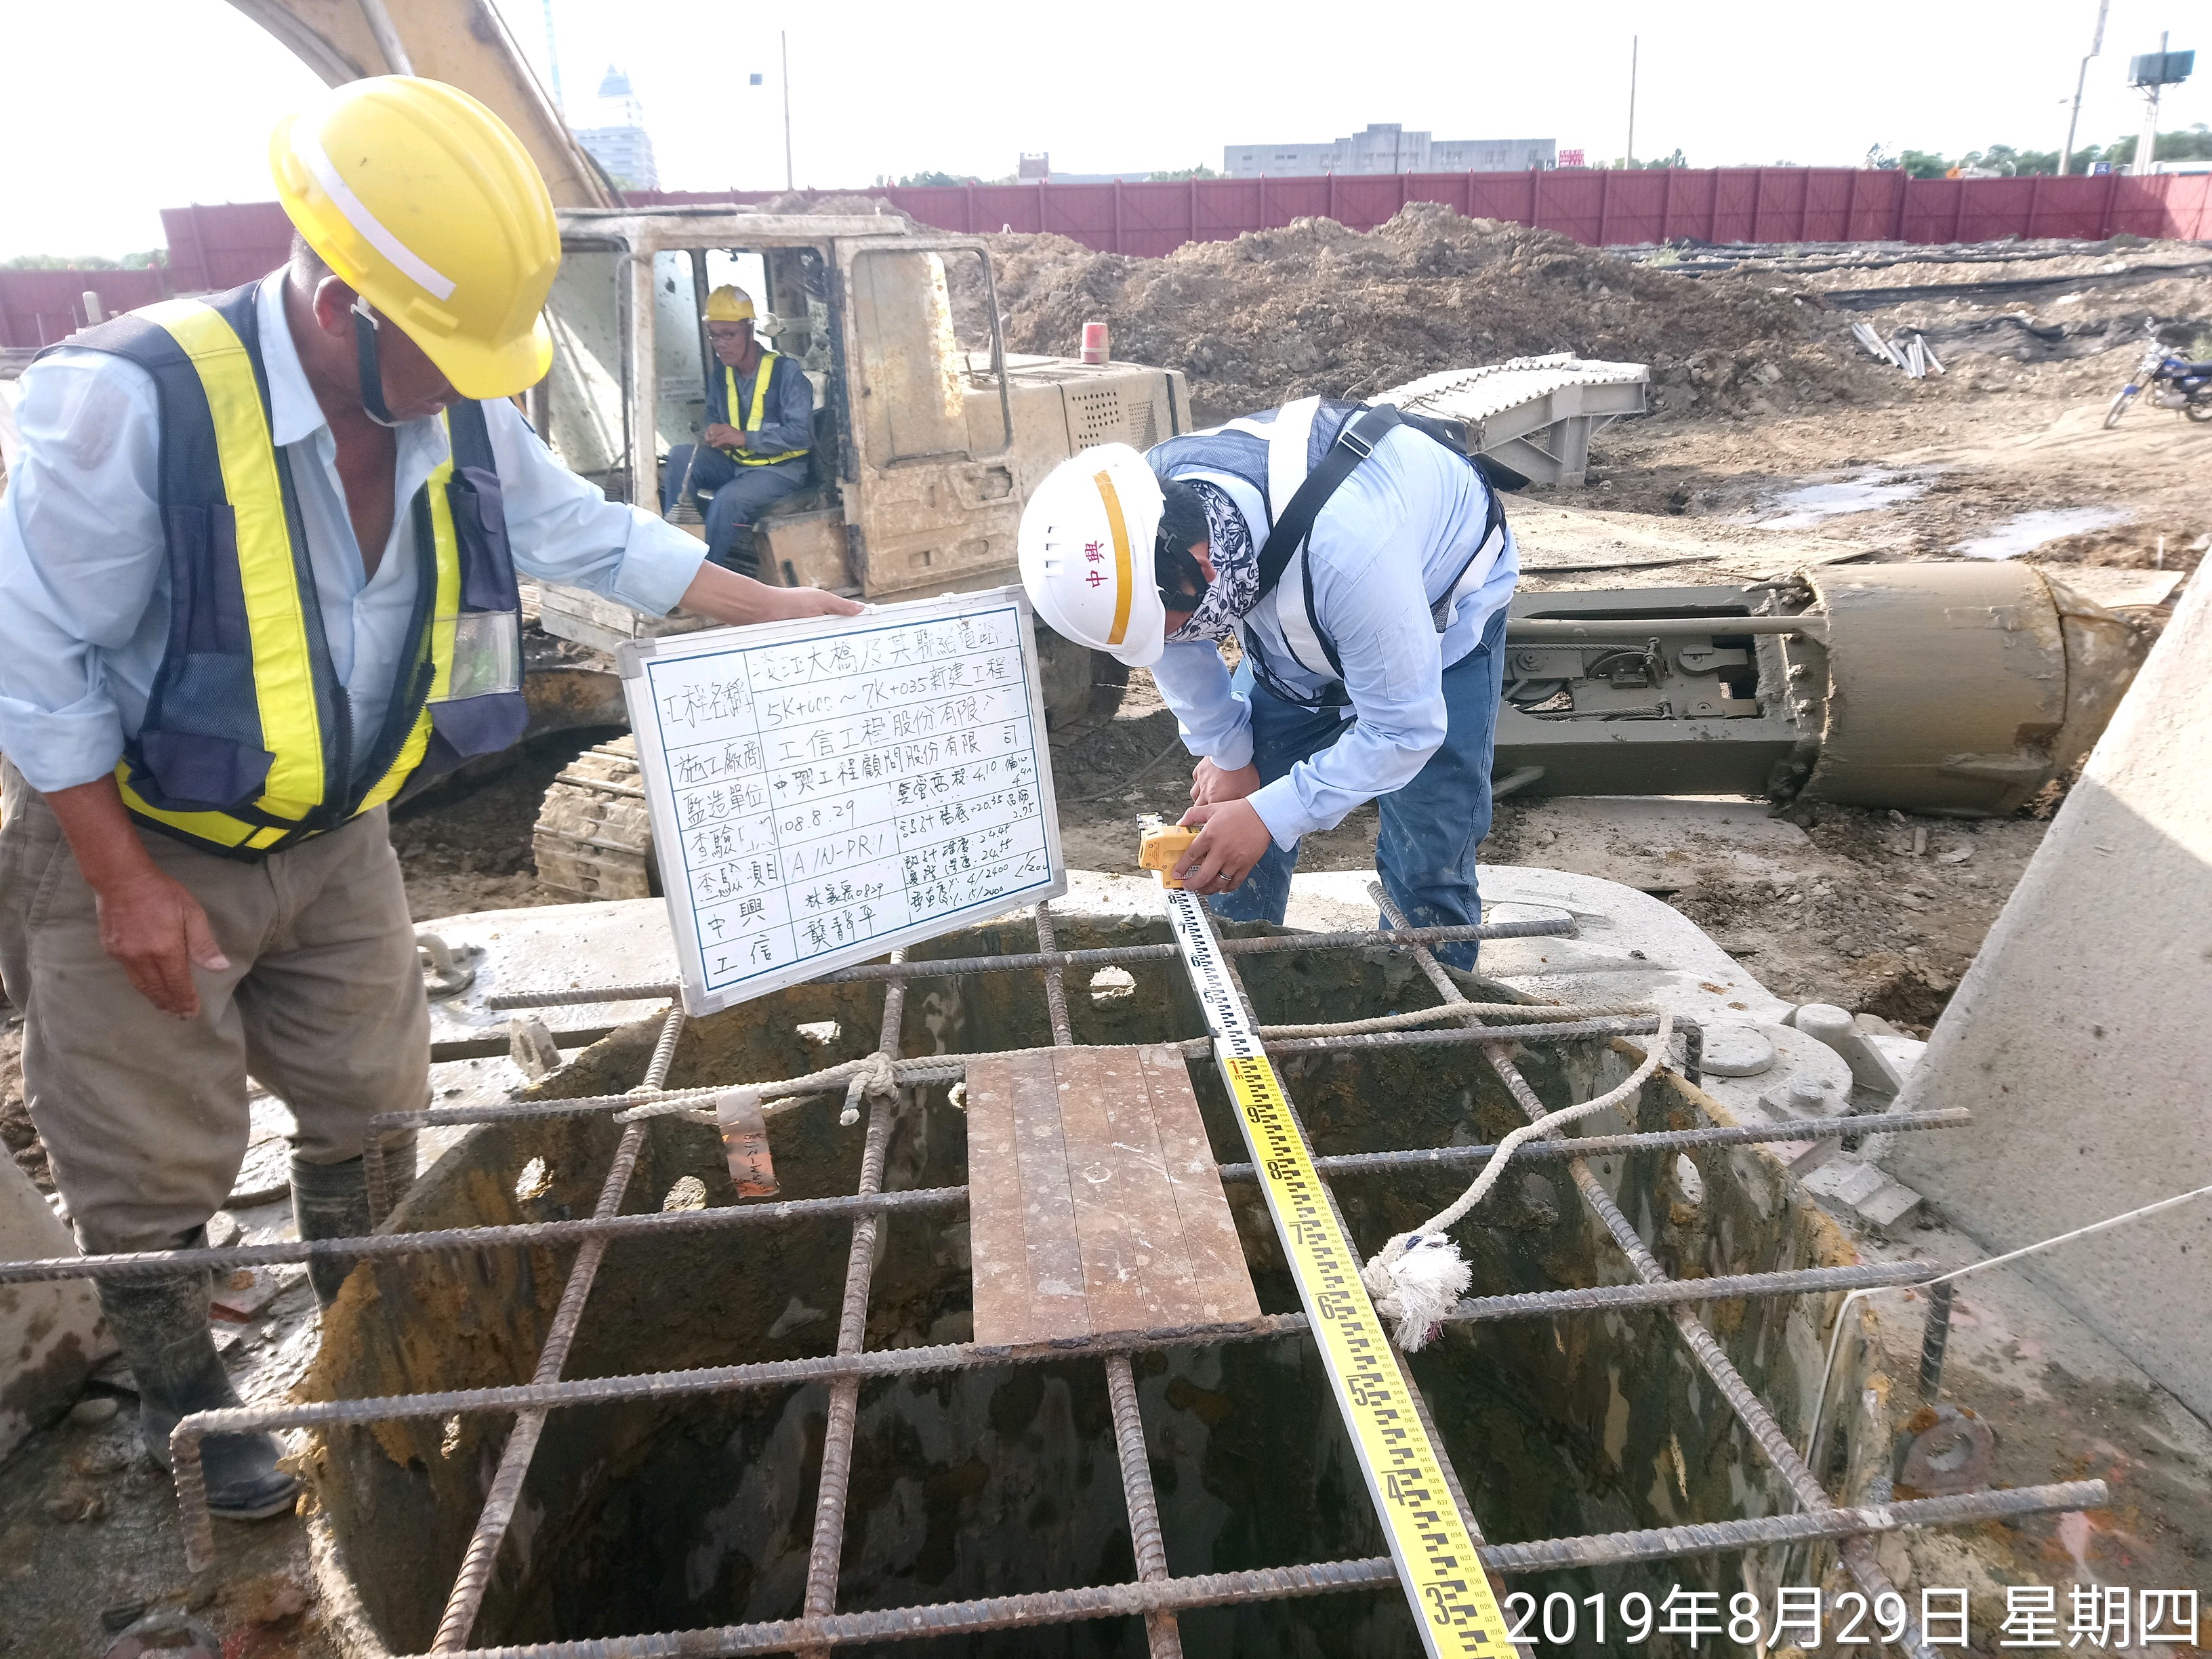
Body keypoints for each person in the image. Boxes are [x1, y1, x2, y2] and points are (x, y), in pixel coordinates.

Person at [0, 77, 858, 1525]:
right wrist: (117, 879)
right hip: (149, 837)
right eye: (448, 352)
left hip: (340, 839)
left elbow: (586, 532)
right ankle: (192, 1405)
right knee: (149, 1157)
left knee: (369, 1101)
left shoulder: (446, 410)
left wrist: (768, 606)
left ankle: (360, 1342)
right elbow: (39, 660)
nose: (475, 385)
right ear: (341, 305)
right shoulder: (128, 404)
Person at [1017, 396, 1518, 969]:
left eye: (1169, 627)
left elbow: (1404, 729)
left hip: (1437, 609)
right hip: (1303, 617)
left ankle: (1428, 999)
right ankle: (1242, 986)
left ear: (1202, 567)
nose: (1168, 643)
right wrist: (1228, 756)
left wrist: (1268, 814)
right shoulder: (1144, 512)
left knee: (1428, 845)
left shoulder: (1349, 555)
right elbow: (1174, 643)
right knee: (1236, 820)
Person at [659, 286, 815, 572]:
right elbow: (712, 414)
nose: (720, 344)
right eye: (713, 335)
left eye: (728, 335)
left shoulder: (786, 372)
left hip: (780, 472)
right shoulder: (722, 373)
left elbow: (801, 434)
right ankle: (675, 551)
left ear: (749, 329)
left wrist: (744, 437)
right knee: (681, 456)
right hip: (737, 462)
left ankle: (699, 577)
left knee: (727, 500)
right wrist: (713, 432)